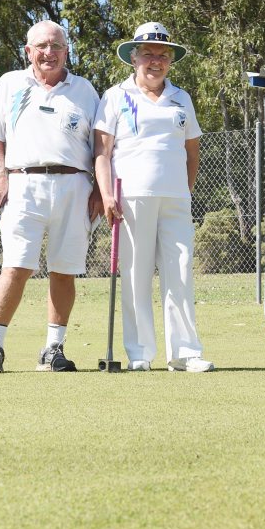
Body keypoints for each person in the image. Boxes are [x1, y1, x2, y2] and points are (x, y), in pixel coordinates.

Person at [0, 20, 101, 373]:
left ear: (66, 51)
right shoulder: (9, 84)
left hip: (75, 186)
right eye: (41, 46)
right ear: (28, 51)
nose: (49, 52)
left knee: (64, 270)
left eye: (57, 46)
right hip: (22, 184)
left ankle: (52, 349)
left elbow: (102, 146)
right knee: (16, 266)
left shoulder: (85, 90)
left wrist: (100, 191)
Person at [93, 22, 213, 373]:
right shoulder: (115, 95)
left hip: (175, 198)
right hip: (130, 198)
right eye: (148, 54)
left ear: (170, 61)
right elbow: (102, 152)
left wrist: (185, 191)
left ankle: (185, 353)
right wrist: (106, 194)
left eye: (163, 55)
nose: (155, 61)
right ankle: (139, 353)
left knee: (180, 273)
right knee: (135, 276)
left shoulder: (182, 98)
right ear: (134, 58)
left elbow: (193, 152)